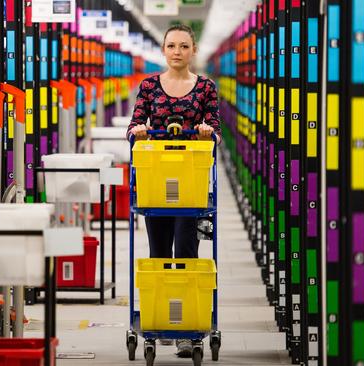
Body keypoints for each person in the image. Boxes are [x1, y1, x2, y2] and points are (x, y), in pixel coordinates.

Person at [126, 24, 222, 358]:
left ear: (193, 50)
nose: (177, 51)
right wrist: (138, 131)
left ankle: (184, 332)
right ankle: (160, 319)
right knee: (158, 253)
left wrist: (207, 132)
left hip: (190, 186)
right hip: (156, 182)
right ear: (164, 50)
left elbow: (216, 129)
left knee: (185, 251)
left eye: (183, 46)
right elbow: (134, 124)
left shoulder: (207, 87)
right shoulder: (149, 86)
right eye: (171, 45)